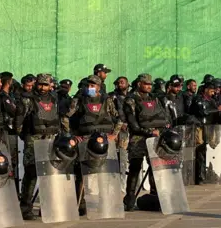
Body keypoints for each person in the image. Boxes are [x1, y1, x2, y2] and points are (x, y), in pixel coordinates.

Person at [61, 75, 122, 215]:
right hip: (85, 139)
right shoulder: (79, 100)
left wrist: (114, 134)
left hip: (103, 139)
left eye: (93, 85)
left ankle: (105, 202)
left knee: (104, 172)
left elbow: (119, 118)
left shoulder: (107, 100)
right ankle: (80, 204)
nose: (90, 88)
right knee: (82, 172)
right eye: (88, 85)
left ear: (99, 87)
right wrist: (71, 135)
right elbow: (66, 117)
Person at [15, 73, 62, 220]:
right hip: (33, 139)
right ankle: (26, 208)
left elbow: (57, 117)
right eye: (40, 84)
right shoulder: (28, 100)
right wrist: (25, 136)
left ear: (50, 85)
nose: (43, 88)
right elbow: (18, 121)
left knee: (49, 173)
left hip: (50, 138)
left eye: (46, 85)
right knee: (31, 173)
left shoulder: (54, 99)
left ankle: (47, 207)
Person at [122, 74, 170, 211]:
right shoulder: (131, 100)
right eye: (146, 84)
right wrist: (148, 132)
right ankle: (129, 199)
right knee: (135, 168)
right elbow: (133, 124)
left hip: (155, 137)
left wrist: (164, 128)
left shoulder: (154, 98)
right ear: (139, 84)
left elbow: (164, 116)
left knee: (155, 167)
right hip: (138, 138)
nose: (149, 86)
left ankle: (156, 196)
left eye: (150, 84)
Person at [192, 81, 221, 184]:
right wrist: (216, 109)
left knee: (208, 150)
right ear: (206, 90)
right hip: (200, 127)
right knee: (200, 151)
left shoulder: (212, 100)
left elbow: (218, 114)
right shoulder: (198, 99)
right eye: (211, 90)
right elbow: (204, 112)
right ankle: (199, 176)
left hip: (210, 128)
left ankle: (206, 173)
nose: (213, 93)